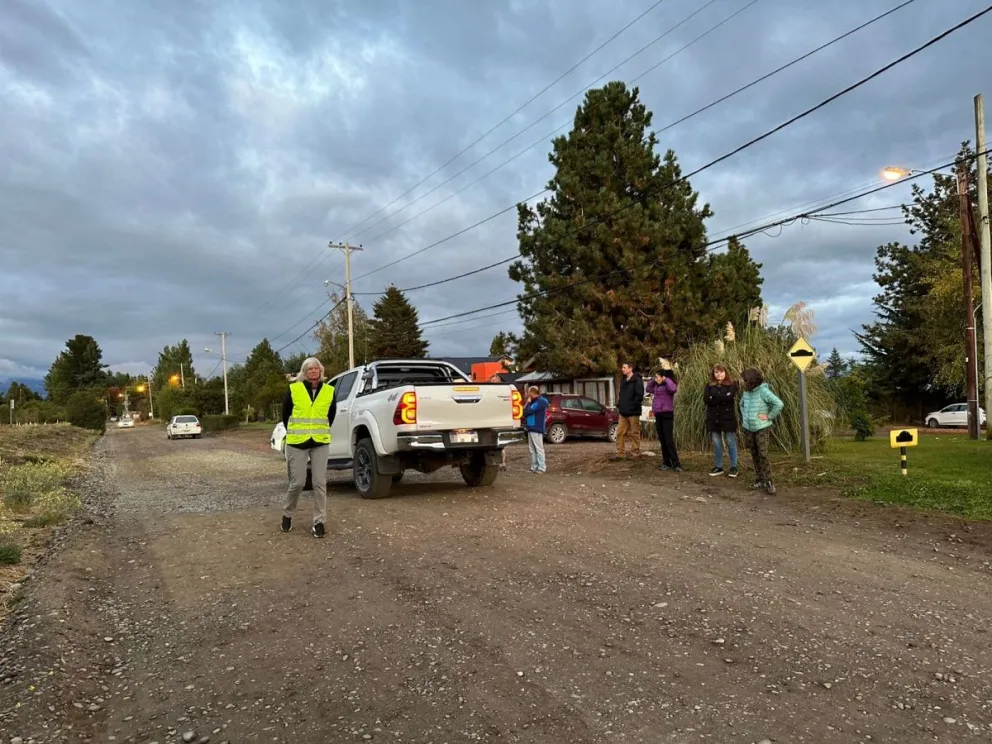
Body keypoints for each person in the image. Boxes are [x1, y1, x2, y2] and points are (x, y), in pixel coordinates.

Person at [281, 357, 337, 537]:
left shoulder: (329, 391)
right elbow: (286, 415)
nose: (313, 371)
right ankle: (287, 514)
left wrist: (319, 430)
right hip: (297, 442)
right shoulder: (293, 389)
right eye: (309, 369)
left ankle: (319, 522)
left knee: (319, 483)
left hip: (320, 442)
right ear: (304, 372)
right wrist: (296, 432)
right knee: (297, 483)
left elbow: (331, 415)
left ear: (321, 371)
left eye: (316, 368)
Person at [739, 367, 783, 494]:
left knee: (763, 454)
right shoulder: (746, 392)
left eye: (745, 380)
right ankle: (759, 479)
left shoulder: (763, 391)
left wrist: (768, 416)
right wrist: (745, 418)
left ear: (752, 380)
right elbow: (741, 404)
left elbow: (779, 404)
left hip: (762, 428)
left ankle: (769, 481)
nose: (743, 382)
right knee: (754, 453)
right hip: (748, 428)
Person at [705, 364, 739, 478]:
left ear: (725, 372)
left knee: (730, 441)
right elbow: (706, 399)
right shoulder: (709, 385)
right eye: (716, 372)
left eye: (721, 372)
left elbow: (729, 397)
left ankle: (734, 466)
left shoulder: (732, 385)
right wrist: (722, 397)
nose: (719, 374)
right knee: (716, 442)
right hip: (714, 417)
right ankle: (718, 466)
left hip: (728, 418)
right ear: (713, 374)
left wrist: (714, 397)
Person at [646, 368, 681, 471]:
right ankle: (666, 462)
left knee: (668, 440)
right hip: (658, 415)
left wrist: (666, 379)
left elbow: (673, 389)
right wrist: (653, 379)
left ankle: (676, 463)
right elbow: (648, 388)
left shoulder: (668, 386)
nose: (656, 378)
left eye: (657, 377)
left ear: (663, 377)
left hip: (667, 414)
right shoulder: (656, 387)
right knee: (662, 439)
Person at [614, 362, 645, 459]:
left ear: (630, 369)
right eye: (622, 367)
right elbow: (621, 394)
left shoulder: (637, 380)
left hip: (633, 412)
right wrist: (620, 404)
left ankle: (635, 453)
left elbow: (639, 395)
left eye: (624, 367)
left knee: (634, 433)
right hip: (623, 412)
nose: (622, 369)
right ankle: (620, 454)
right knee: (619, 432)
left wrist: (632, 406)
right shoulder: (623, 380)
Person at [522, 386, 548, 473]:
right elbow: (524, 412)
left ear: (532, 393)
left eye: (528, 393)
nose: (527, 395)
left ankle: (541, 467)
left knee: (538, 448)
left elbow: (530, 411)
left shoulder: (541, 401)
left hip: (536, 427)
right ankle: (534, 466)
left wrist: (528, 404)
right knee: (532, 449)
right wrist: (528, 405)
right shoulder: (533, 402)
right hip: (530, 427)